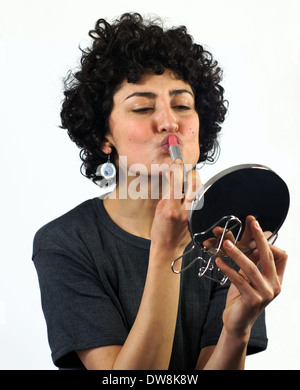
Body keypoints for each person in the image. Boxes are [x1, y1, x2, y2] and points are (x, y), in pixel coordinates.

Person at [32, 13, 287, 370]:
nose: (169, 122)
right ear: (102, 136)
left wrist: (237, 329)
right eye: (142, 107)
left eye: (182, 105)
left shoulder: (226, 235)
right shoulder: (66, 243)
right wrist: (168, 246)